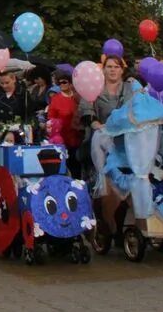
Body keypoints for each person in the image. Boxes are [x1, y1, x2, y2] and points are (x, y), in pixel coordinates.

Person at [79, 55, 136, 242]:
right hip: (100, 140)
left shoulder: (130, 89)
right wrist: (96, 124)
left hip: (124, 142)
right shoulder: (95, 88)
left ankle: (119, 227)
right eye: (109, 66)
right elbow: (87, 113)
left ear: (122, 69)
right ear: (103, 69)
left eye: (116, 67)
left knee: (124, 185)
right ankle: (102, 223)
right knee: (102, 186)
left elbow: (138, 110)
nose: (112, 70)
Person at [46, 69, 83, 169]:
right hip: (61, 137)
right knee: (64, 163)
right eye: (59, 82)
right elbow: (51, 117)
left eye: (64, 82)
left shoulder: (78, 97)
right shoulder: (55, 99)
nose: (61, 84)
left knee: (76, 163)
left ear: (70, 83)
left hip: (77, 135)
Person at [0, 70, 32, 144]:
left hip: (18, 131)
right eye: (1, 83)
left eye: (7, 83)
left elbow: (28, 112)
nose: (4, 86)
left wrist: (22, 126)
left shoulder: (23, 93)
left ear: (14, 79)